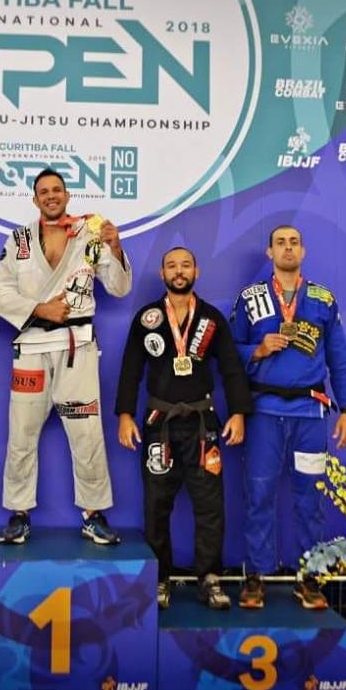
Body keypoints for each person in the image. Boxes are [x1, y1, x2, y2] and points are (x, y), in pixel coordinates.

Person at [0, 168, 132, 544]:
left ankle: (93, 513)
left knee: (87, 434)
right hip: (31, 348)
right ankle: (18, 513)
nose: (51, 195)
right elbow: (0, 295)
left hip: (76, 346)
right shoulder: (19, 240)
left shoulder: (90, 233)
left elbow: (119, 288)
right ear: (35, 199)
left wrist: (116, 247)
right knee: (21, 433)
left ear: (67, 196)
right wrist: (42, 309)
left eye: (57, 190)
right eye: (44, 191)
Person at [230, 225, 346, 609]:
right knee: (258, 495)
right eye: (280, 243)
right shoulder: (251, 298)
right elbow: (228, 351)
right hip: (264, 412)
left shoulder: (322, 299)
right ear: (269, 253)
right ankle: (256, 575)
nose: (287, 248)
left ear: (303, 251)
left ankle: (310, 577)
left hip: (309, 413)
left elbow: (340, 357)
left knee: (311, 498)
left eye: (294, 243)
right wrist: (257, 350)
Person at [115, 247, 252, 610]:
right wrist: (125, 415)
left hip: (203, 425)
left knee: (210, 504)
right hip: (159, 424)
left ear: (197, 272)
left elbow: (231, 368)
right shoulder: (148, 318)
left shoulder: (211, 318)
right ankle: (160, 578)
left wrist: (238, 412)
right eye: (172, 266)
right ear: (162, 274)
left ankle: (209, 577)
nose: (179, 271)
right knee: (156, 504)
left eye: (186, 265)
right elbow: (131, 368)